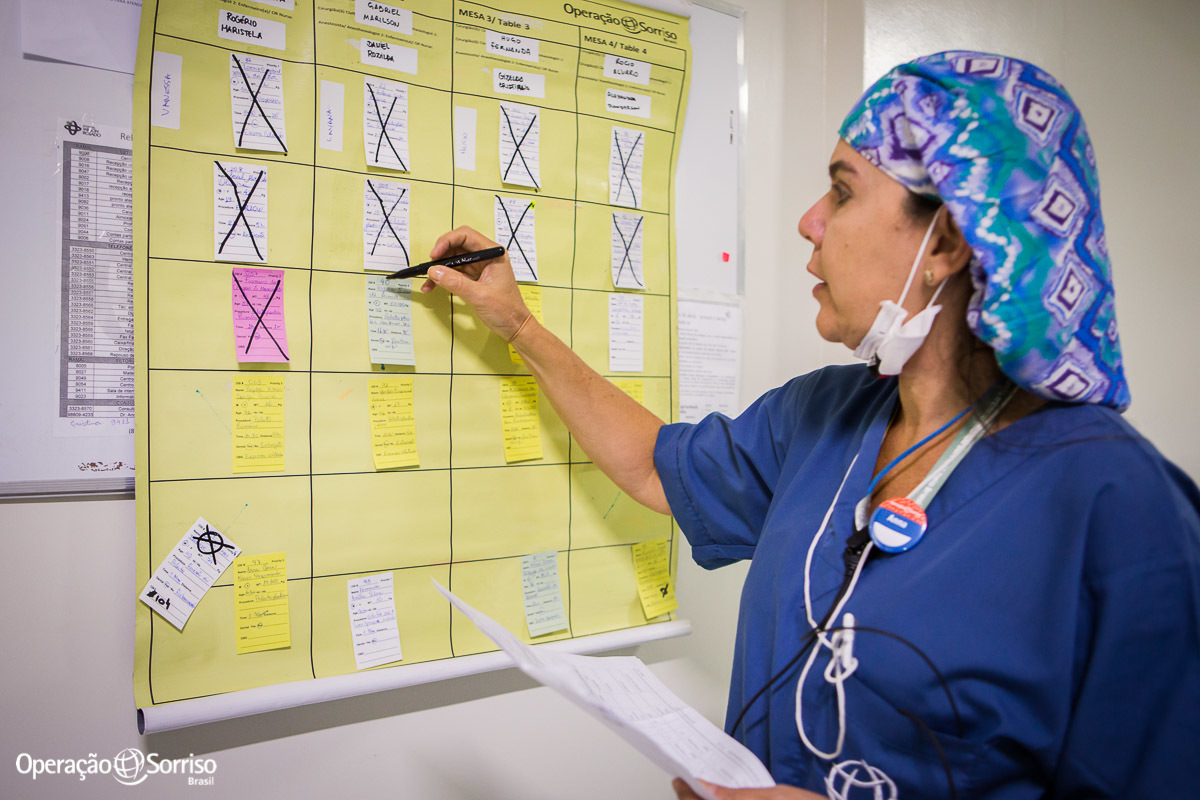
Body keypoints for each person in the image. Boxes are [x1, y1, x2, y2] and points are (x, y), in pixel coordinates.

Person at [421, 51, 1200, 798]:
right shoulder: (824, 416)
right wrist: (517, 324)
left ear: (946, 242)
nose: (808, 221)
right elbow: (656, 466)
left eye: (842, 192)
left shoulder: (1119, 505)